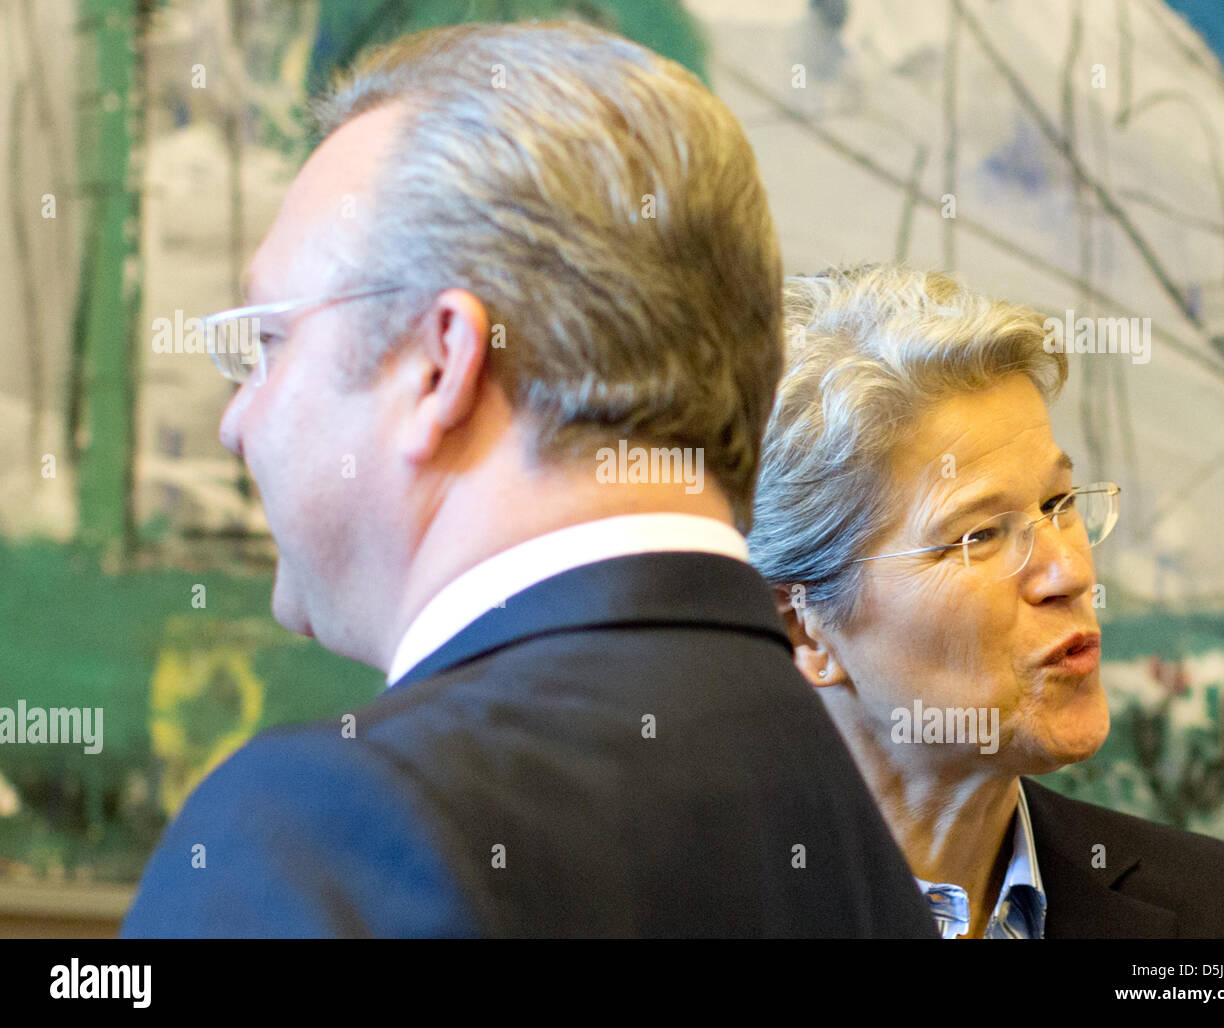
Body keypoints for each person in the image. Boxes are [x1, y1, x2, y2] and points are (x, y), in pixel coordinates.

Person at [120, 23, 937, 938]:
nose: (237, 420)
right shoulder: (855, 822)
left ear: (439, 365)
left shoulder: (322, 830)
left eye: (269, 342)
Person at [748, 263, 1224, 939]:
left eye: (1058, 502)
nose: (1067, 572)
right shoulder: (652, 911)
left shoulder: (1216, 910)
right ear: (805, 629)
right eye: (978, 535)